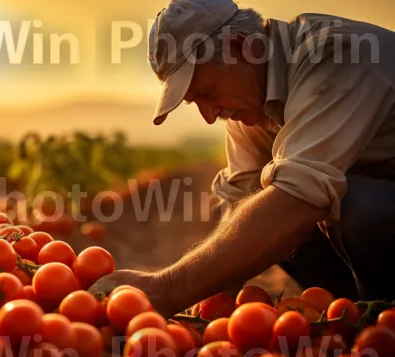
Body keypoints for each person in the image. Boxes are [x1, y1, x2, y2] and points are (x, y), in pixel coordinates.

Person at [88, 0, 395, 318]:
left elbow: (299, 198)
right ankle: (351, 315)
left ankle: (381, 318)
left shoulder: (334, 55)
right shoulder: (249, 105)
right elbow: (239, 204)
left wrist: (167, 289)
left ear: (241, 47)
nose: (209, 116)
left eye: (206, 92)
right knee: (263, 213)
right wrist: (209, 300)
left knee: (347, 205)